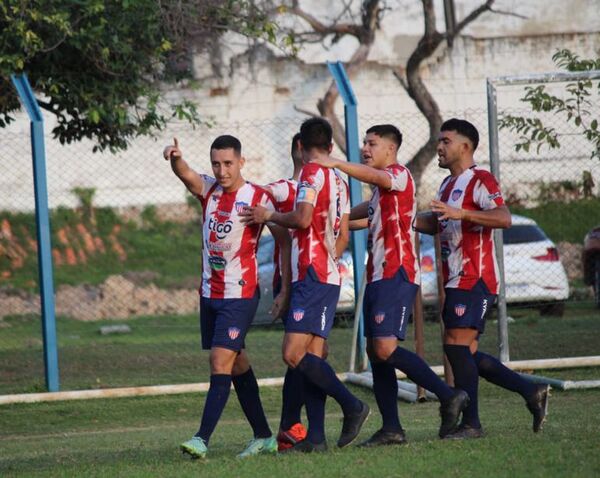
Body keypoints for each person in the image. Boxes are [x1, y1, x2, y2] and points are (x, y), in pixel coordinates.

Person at [311, 124, 469, 445]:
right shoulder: (380, 196)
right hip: (377, 277)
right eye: (364, 143)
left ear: (390, 149)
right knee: (375, 352)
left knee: (385, 348)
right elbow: (354, 218)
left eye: (372, 143)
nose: (365, 149)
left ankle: (448, 395)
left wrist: (337, 164)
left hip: (397, 274)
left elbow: (378, 178)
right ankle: (391, 429)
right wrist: (328, 216)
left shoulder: (399, 175)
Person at [415, 118, 550, 439]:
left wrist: (463, 214)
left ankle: (472, 423)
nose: (440, 147)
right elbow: (437, 222)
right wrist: (402, 219)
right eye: (439, 141)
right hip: (455, 279)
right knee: (466, 353)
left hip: (475, 278)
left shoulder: (481, 179)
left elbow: (503, 218)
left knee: (457, 349)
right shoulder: (447, 186)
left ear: (465, 146)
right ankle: (531, 391)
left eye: (446, 141)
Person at [242, 118, 370, 452]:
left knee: (292, 353)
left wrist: (267, 215)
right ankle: (315, 437)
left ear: (300, 146)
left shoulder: (311, 174)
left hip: (310, 275)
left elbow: (300, 218)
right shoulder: (340, 182)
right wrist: (330, 259)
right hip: (326, 274)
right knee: (314, 354)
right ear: (330, 147)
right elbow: (342, 232)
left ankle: (352, 405)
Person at [164, 135, 292, 459]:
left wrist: (286, 289)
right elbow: (186, 174)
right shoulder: (208, 191)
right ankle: (264, 435)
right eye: (216, 164)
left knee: (219, 361)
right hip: (209, 293)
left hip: (240, 294)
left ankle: (201, 439)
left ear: (241, 162)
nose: (222, 171)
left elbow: (285, 241)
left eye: (228, 164)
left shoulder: (257, 197)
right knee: (236, 364)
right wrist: (175, 157)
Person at [263, 133, 308, 450]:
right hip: (294, 282)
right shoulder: (281, 189)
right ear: (300, 150)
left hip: (320, 282)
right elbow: (252, 200)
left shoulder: (328, 185)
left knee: (311, 355)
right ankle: (290, 429)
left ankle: (292, 429)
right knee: (301, 356)